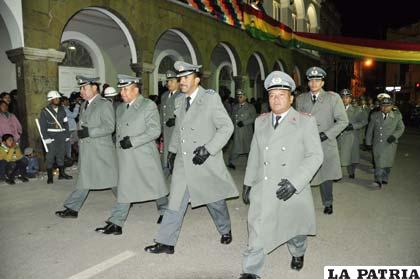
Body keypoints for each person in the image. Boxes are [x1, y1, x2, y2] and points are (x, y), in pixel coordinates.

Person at [144, 61, 238, 254]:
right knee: (175, 200)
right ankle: (166, 242)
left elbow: (227, 127)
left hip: (204, 160)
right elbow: (180, 130)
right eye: (180, 78)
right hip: (183, 161)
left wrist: (209, 149)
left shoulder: (210, 99)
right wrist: (171, 151)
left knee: (214, 201)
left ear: (196, 79)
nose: (181, 81)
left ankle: (225, 228)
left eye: (185, 77)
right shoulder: (179, 100)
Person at [239, 71, 323, 279]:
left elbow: (315, 156)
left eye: (281, 94)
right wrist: (248, 182)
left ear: (291, 98)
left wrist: (295, 183)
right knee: (256, 225)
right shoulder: (261, 121)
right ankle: (251, 270)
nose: (275, 99)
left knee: (294, 229)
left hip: (291, 185)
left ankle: (298, 251)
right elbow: (255, 155)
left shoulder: (305, 122)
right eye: (272, 95)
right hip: (264, 184)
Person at [95, 74, 168, 235]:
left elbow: (155, 130)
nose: (122, 93)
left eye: (126, 89)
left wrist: (133, 141)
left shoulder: (148, 105)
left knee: (156, 185)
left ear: (136, 90)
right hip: (126, 156)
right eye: (121, 89)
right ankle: (116, 222)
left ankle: (165, 210)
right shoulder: (120, 108)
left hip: (143, 154)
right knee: (125, 187)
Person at [55, 76, 117, 218]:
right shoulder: (84, 104)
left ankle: (125, 199)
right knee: (84, 179)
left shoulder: (104, 104)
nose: (81, 91)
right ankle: (72, 208)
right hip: (87, 149)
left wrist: (90, 132)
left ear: (94, 88)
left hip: (101, 150)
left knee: (114, 179)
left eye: (84, 88)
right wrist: (76, 138)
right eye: (80, 88)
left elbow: (109, 126)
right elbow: (82, 126)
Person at [295, 67, 348, 215]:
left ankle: (328, 202)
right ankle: (302, 203)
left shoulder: (333, 98)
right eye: (311, 80)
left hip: (325, 143)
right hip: (305, 144)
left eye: (317, 80)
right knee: (304, 174)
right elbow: (297, 121)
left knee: (326, 175)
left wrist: (326, 134)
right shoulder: (301, 99)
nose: (313, 83)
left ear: (323, 82)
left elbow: (343, 121)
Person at [365, 97, 405, 188]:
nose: (385, 108)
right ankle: (378, 179)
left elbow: (401, 128)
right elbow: (370, 130)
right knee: (378, 162)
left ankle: (385, 177)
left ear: (392, 106)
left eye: (387, 106)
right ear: (380, 106)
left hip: (390, 144)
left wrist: (394, 136)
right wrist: (368, 142)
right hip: (378, 143)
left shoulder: (397, 116)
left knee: (388, 162)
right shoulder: (375, 115)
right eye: (383, 106)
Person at [39, 91, 72, 184]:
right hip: (51, 136)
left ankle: (62, 174)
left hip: (61, 135)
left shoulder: (62, 109)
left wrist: (67, 135)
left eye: (58, 98)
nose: (58, 100)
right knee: (50, 157)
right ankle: (50, 177)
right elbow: (43, 126)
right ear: (51, 99)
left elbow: (65, 123)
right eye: (55, 98)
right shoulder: (45, 111)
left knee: (61, 155)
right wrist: (46, 138)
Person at [337, 89, 368, 179]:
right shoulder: (335, 109)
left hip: (351, 136)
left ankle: (351, 171)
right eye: (342, 98)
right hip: (338, 136)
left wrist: (353, 126)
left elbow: (364, 121)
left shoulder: (357, 110)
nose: (344, 100)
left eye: (347, 98)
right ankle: (337, 175)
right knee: (337, 157)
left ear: (350, 99)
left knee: (351, 157)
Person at [227, 89, 257, 170]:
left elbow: (254, 118)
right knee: (236, 148)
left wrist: (244, 122)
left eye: (240, 96)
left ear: (245, 97)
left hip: (246, 131)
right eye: (238, 97)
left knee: (248, 148)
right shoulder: (235, 107)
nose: (239, 98)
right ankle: (231, 162)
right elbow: (232, 118)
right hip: (237, 132)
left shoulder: (250, 107)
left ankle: (252, 163)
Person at [62, 96, 80, 161]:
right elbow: (73, 115)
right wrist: (77, 105)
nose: (68, 102)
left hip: (70, 129)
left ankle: (72, 159)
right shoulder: (64, 109)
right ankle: (70, 160)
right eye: (66, 101)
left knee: (73, 145)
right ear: (63, 102)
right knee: (73, 145)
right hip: (71, 129)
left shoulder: (65, 108)